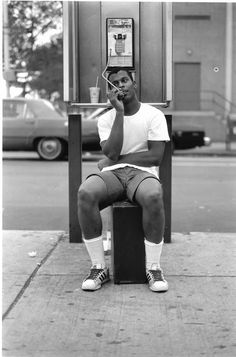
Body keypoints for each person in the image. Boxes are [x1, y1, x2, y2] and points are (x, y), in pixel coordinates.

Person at [77, 68, 170, 292]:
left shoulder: (153, 114)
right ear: (111, 91)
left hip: (142, 172)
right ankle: (99, 267)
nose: (121, 85)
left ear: (134, 83)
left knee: (154, 195)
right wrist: (119, 112)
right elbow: (111, 151)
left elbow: (155, 156)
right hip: (114, 174)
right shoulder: (106, 119)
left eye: (124, 80)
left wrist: (113, 160)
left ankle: (154, 268)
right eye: (115, 83)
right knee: (85, 193)